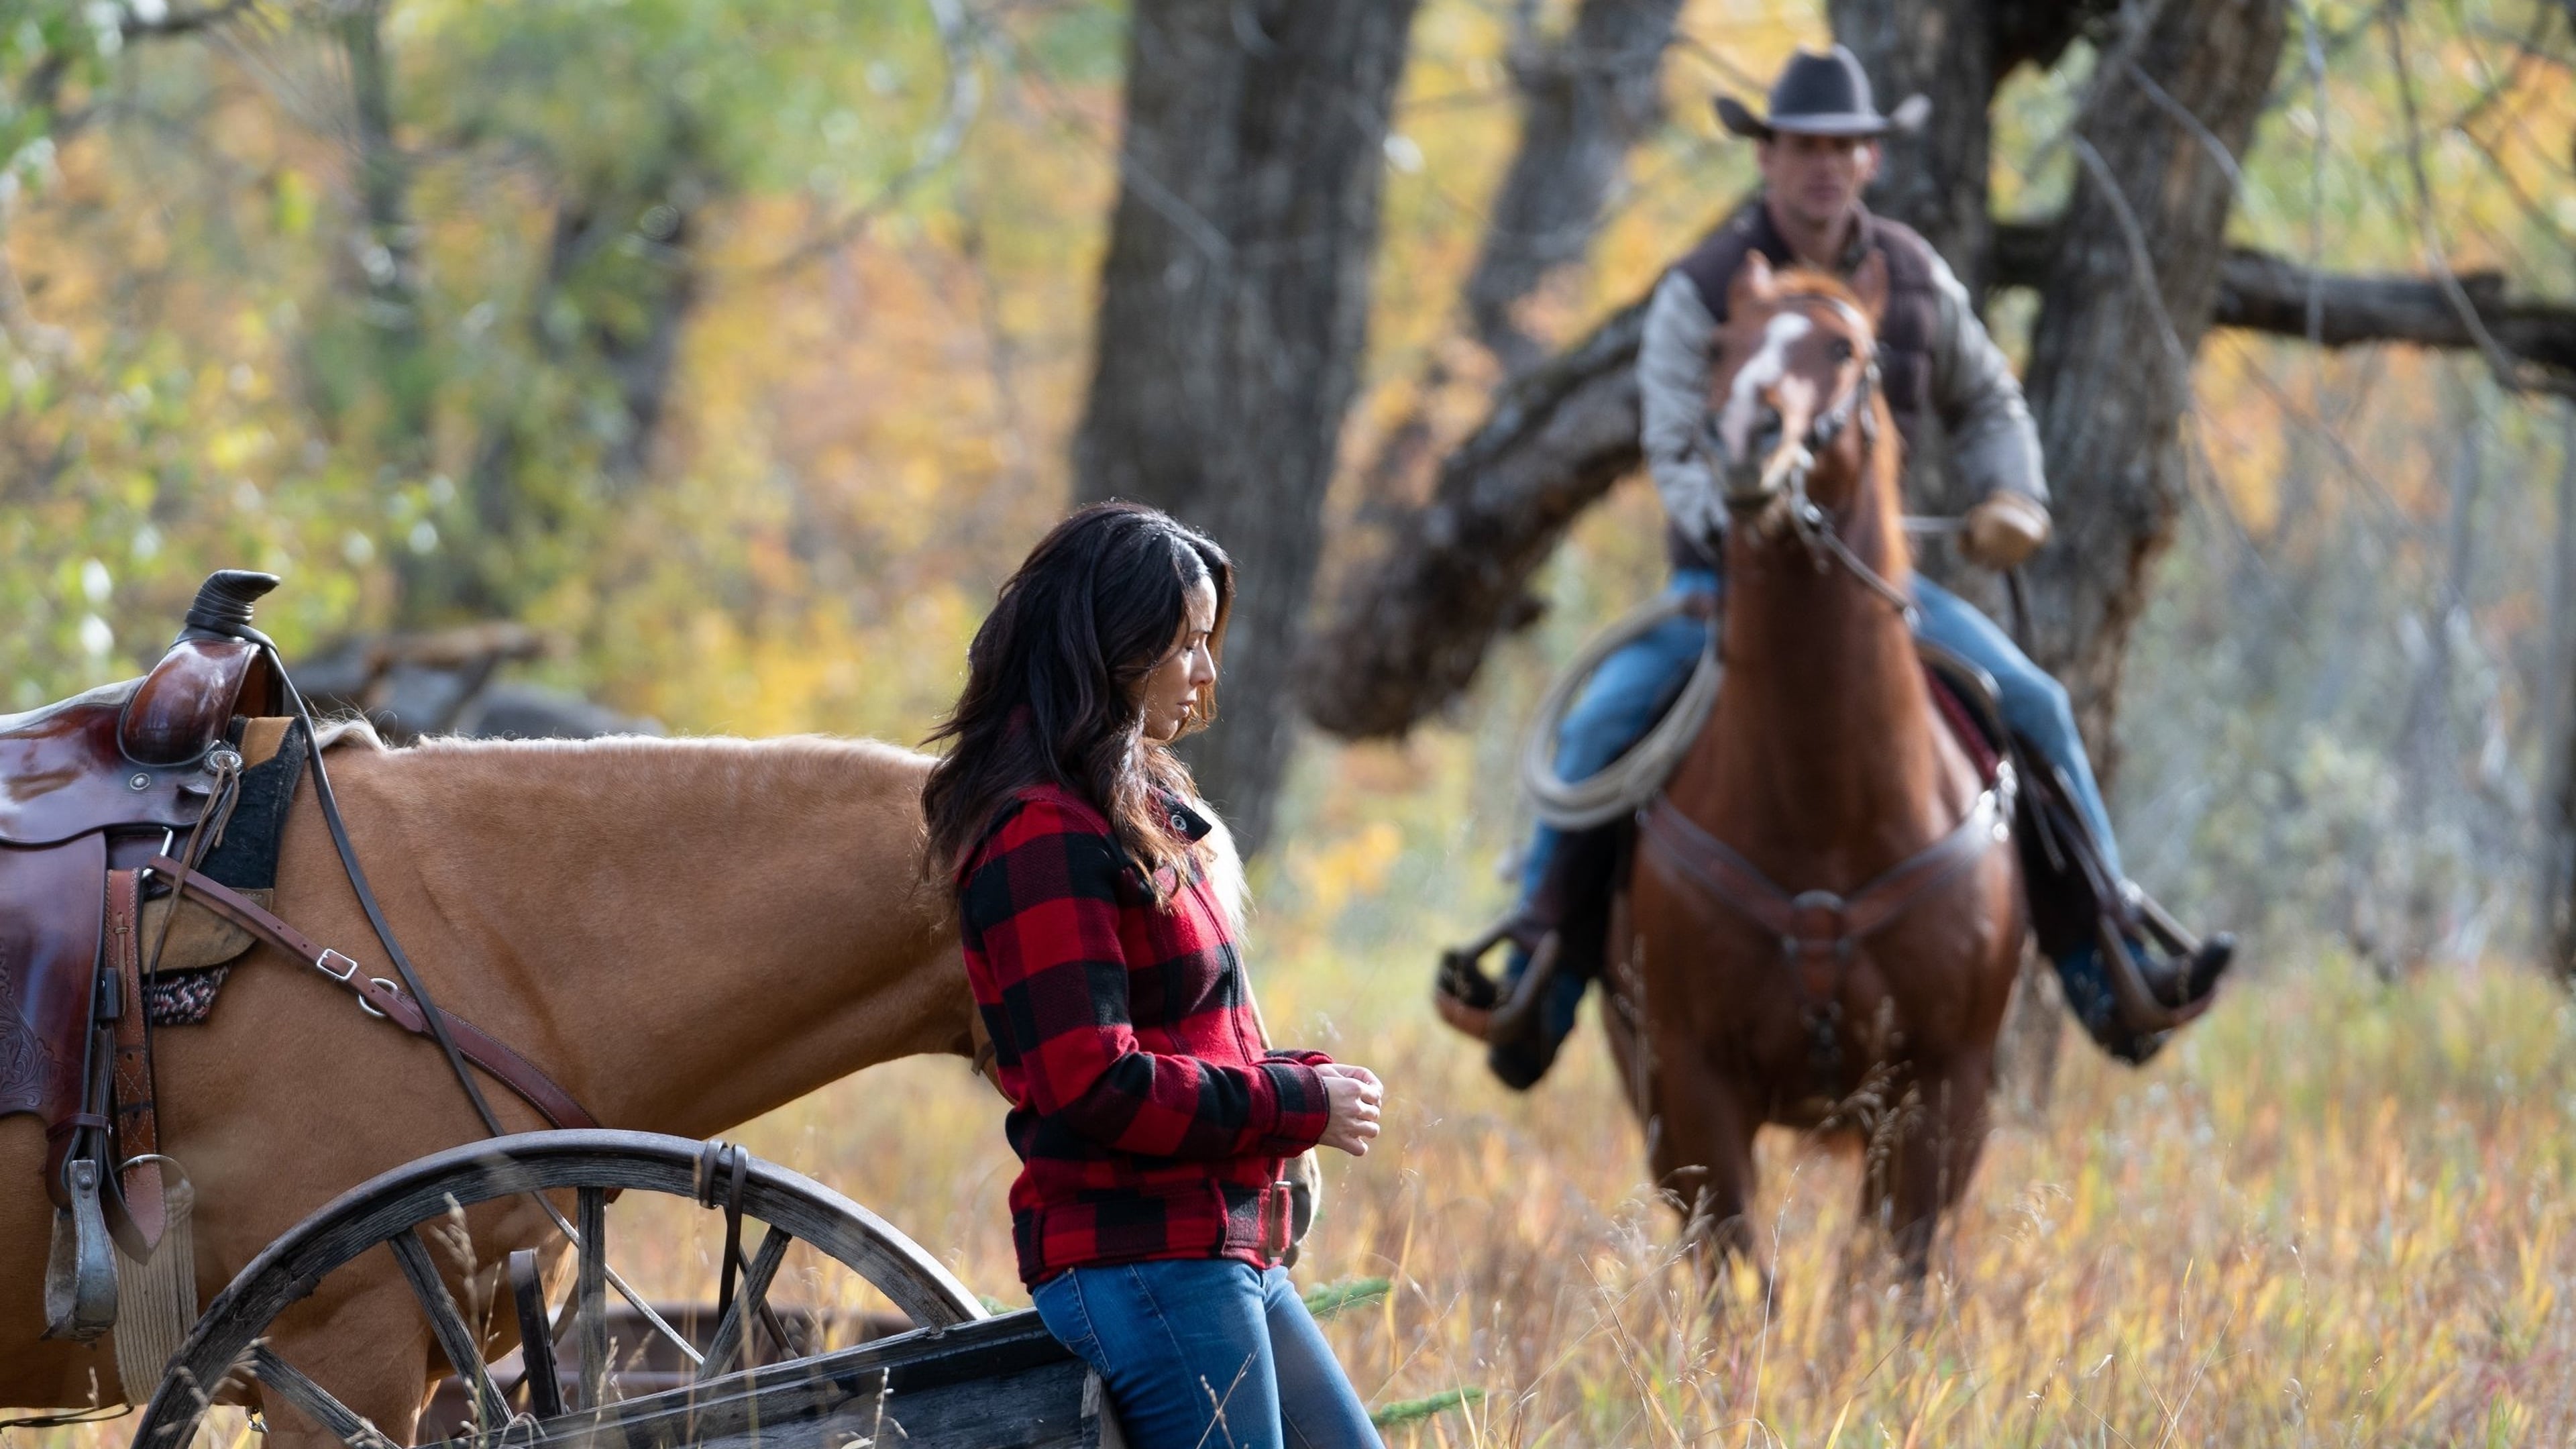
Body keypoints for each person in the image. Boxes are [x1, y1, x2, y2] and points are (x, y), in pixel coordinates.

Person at [1443, 45, 2232, 1087]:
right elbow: (1674, 441)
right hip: (1717, 592)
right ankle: (1542, 975)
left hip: (1880, 596)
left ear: (1869, 159)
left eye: (1843, 148)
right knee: (1596, 731)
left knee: (2034, 703)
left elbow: (1991, 399)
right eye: (1802, 147)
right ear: (1768, 158)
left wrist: (2012, 497)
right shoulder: (1704, 288)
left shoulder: (1913, 277)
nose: (1824, 165)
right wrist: (1735, 513)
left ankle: (2110, 961)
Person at [924, 501, 1387, 1449]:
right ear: (1110, 649)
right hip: (1142, 1259)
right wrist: (1295, 1104)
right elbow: (1095, 1084)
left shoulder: (1139, 802)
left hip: (1213, 1245)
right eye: (1184, 644)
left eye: (1208, 641)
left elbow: (1188, 1031)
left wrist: (1297, 1079)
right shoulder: (1042, 834)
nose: (1208, 671)